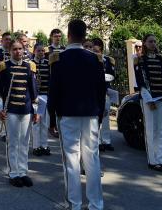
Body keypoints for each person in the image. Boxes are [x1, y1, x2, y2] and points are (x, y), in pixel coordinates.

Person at [48, 20, 106, 210]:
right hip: (90, 114)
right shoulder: (95, 59)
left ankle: (74, 203)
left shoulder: (59, 59)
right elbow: (101, 91)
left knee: (71, 161)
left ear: (69, 34)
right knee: (92, 159)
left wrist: (51, 117)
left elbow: (53, 91)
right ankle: (96, 203)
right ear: (84, 35)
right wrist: (99, 116)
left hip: (68, 114)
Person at [0, 40, 39, 187]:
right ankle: (13, 173)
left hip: (26, 109)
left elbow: (34, 92)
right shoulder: (4, 67)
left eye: (20, 49)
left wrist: (36, 111)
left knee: (24, 142)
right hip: (11, 110)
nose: (18, 52)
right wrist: (0, 109)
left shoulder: (29, 67)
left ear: (24, 50)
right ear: (10, 51)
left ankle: (23, 171)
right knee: (13, 142)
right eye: (15, 49)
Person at [134, 34, 162, 172]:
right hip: (148, 99)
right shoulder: (140, 60)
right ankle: (153, 160)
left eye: (155, 41)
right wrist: (148, 99)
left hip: (161, 98)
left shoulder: (161, 59)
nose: (153, 43)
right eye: (150, 41)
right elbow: (141, 82)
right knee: (151, 129)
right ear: (144, 43)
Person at [92, 38, 115, 152]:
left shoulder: (107, 60)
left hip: (105, 91)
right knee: (95, 117)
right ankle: (97, 141)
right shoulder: (90, 59)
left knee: (105, 117)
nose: (95, 47)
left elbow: (111, 75)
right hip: (93, 92)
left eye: (97, 45)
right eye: (94, 45)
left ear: (101, 47)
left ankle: (106, 141)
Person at [31, 43, 50, 156]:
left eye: (43, 51)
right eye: (39, 51)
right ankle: (36, 146)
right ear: (34, 51)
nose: (41, 53)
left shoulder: (48, 64)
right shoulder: (30, 63)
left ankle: (44, 145)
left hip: (46, 95)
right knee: (36, 122)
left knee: (45, 123)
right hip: (36, 97)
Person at [47, 28, 64, 138]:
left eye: (59, 36)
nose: (58, 38)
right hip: (51, 79)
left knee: (61, 104)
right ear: (51, 37)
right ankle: (52, 126)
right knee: (51, 105)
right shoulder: (47, 50)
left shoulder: (64, 49)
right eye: (55, 36)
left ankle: (60, 125)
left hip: (62, 80)